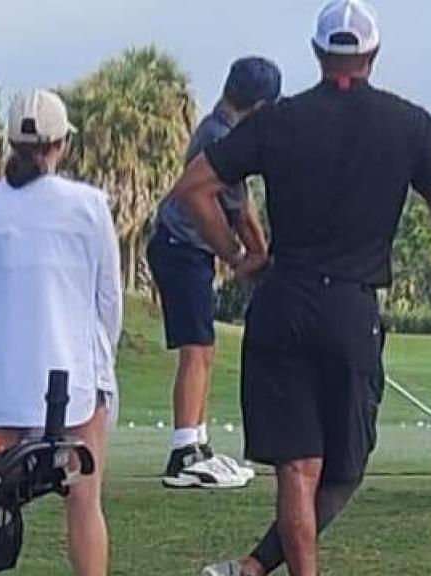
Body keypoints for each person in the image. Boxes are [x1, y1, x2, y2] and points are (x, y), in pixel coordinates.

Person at [168, 1, 431, 574]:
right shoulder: (410, 125)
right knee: (345, 469)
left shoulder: (277, 120)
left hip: (282, 302)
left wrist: (237, 256)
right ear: (373, 55)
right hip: (349, 310)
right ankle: (258, 568)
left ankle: (256, 568)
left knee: (297, 469)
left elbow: (193, 188)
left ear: (317, 53)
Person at [0, 89, 122, 576]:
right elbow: (108, 299)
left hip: (1, 380)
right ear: (62, 144)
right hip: (71, 378)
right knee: (84, 501)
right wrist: (102, 362)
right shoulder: (90, 205)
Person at [148, 57, 281, 489]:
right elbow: (240, 213)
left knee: (204, 348)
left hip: (189, 251)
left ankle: (198, 444)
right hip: (179, 247)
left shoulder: (222, 129)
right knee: (197, 348)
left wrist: (259, 258)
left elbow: (242, 211)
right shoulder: (219, 136)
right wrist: (247, 259)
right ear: (261, 105)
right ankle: (183, 451)